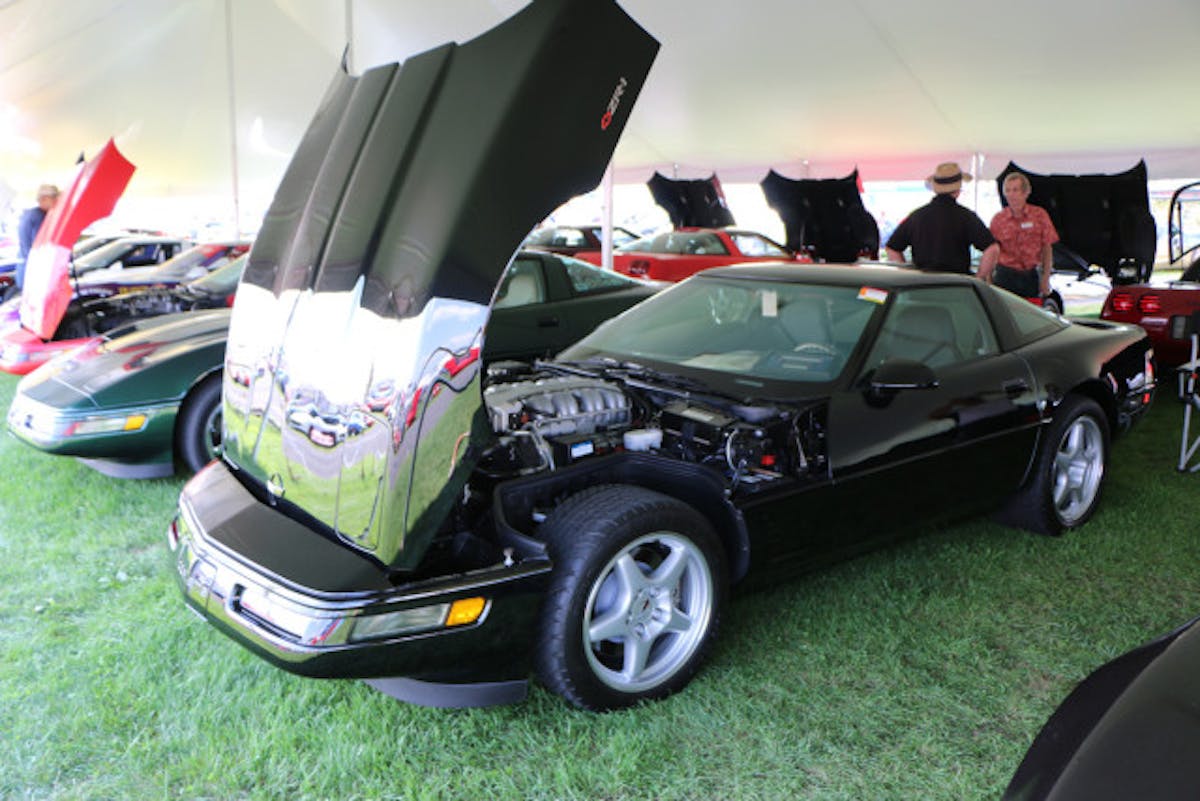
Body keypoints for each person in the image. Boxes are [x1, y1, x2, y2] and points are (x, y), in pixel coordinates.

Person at [884, 162, 998, 276]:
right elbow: (992, 249)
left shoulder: (916, 216)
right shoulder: (966, 216)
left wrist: (907, 275)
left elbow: (892, 248)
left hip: (922, 283)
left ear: (936, 188)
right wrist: (979, 278)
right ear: (958, 190)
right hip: (957, 282)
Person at [981, 171, 1059, 299]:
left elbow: (1047, 248)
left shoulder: (1039, 215)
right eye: (1008, 190)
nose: (1011, 195)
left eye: (1015, 190)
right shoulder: (998, 219)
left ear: (1026, 192)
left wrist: (1046, 278)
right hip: (1005, 275)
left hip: (1031, 275)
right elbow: (991, 251)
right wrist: (988, 280)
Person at [16, 183, 60, 291]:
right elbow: (42, 247)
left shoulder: (29, 214)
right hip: (35, 272)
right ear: (44, 198)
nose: (58, 202)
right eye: (55, 198)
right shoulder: (39, 216)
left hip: (25, 269)